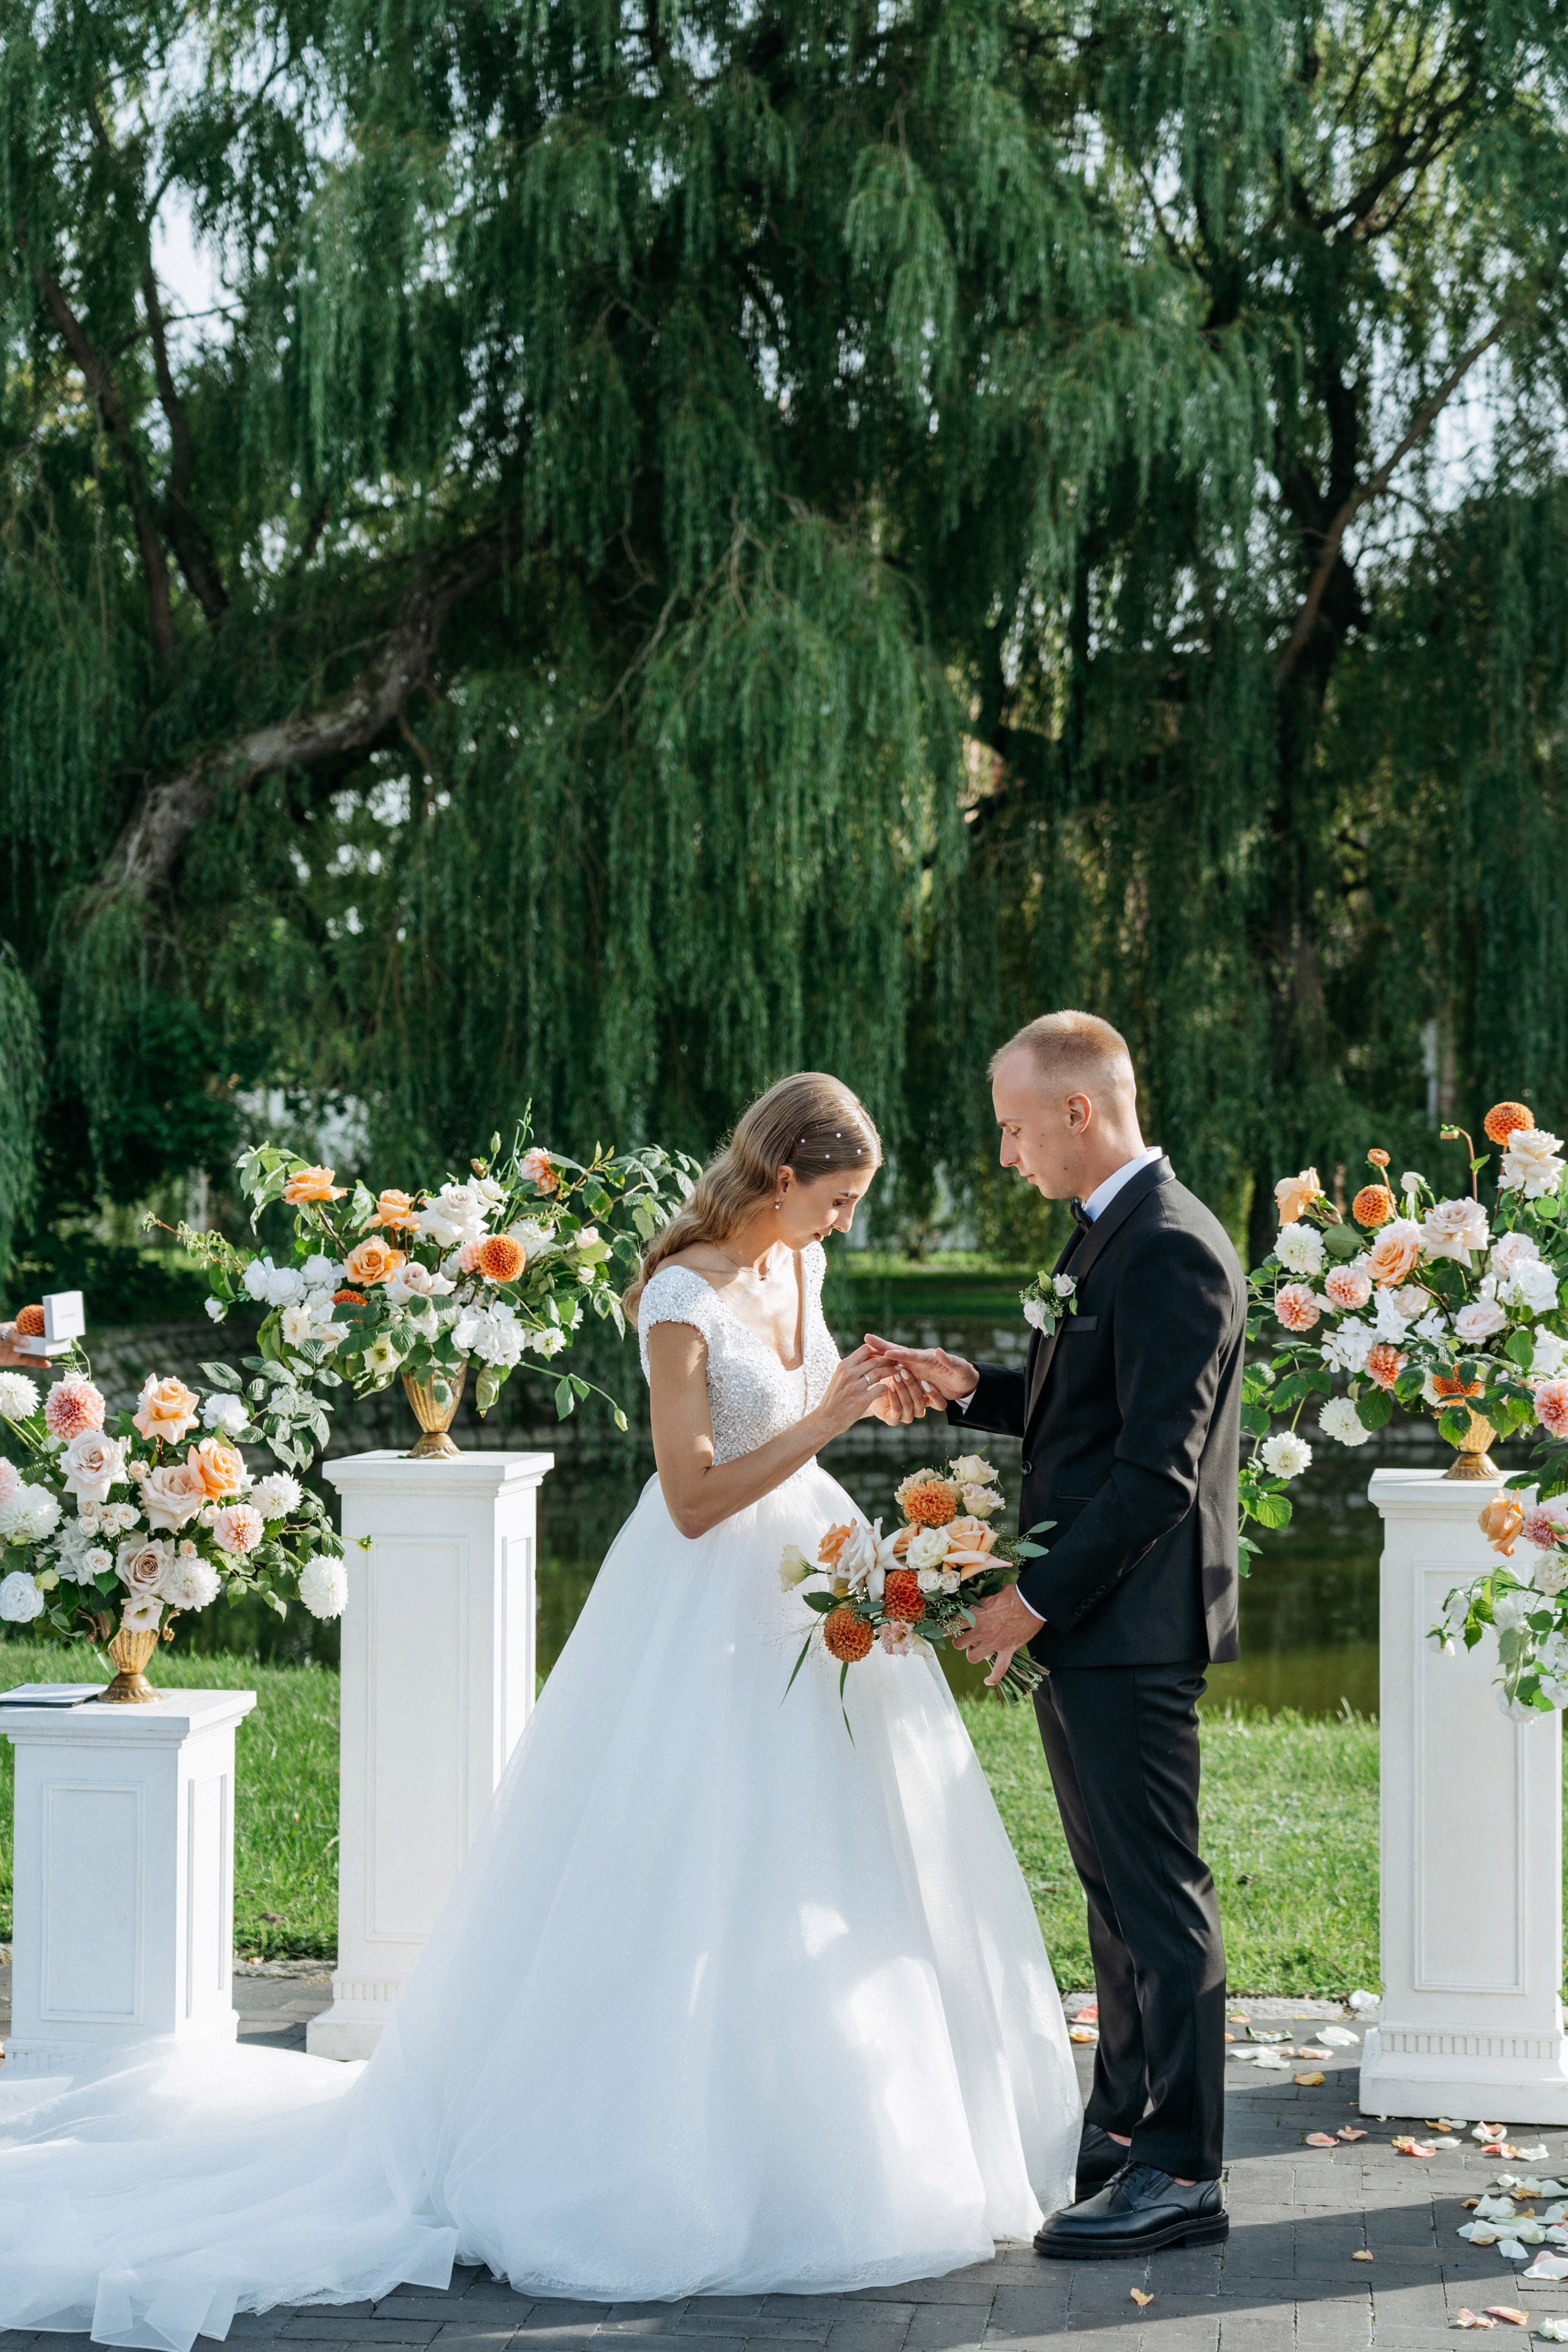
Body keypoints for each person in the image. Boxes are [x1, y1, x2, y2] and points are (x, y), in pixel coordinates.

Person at [0, 1071, 1080, 2351]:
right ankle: (643, 2151)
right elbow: (690, 1496)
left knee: (835, 1858)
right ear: (781, 1177)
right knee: (678, 1858)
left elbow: (787, 1432)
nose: (841, 1225)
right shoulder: (678, 1297)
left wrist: (867, 1398)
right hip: (698, 1596)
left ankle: (829, 2126)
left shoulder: (796, 1268)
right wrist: (831, 1417)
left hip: (804, 1580)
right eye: (834, 1200)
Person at [867, 1013, 1246, 2260]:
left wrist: (1029, 1600)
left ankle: (1181, 2171)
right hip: (1094, 1630)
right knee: (1112, 1900)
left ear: (1078, 1113)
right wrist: (966, 1384)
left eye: (1014, 1126)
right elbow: (1077, 1411)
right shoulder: (1104, 1238)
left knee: (1156, 1895)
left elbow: (1153, 1474)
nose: (1004, 1150)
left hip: (1126, 1628)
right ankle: (1124, 2134)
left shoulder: (1170, 1249)